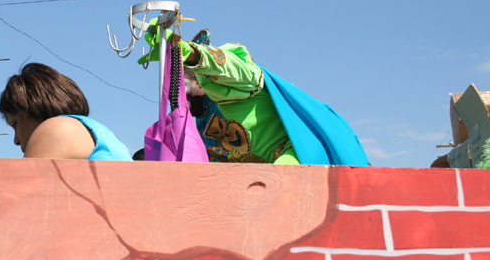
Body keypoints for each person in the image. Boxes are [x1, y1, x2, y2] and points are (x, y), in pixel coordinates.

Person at [141, 27, 369, 166]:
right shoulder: (196, 127)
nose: (180, 94)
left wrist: (190, 53)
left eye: (184, 84)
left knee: (280, 178)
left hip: (299, 155)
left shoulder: (230, 86)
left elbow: (230, 67)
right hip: (255, 181)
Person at [0, 63, 133, 161]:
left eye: (15, 124)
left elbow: (19, 193)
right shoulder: (104, 134)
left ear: (35, 108)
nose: (16, 140)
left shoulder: (59, 129)